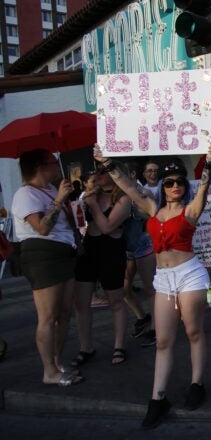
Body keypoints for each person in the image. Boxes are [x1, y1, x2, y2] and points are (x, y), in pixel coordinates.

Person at [93, 141, 211, 429]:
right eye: (169, 182)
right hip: (164, 279)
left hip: (189, 274)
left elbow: (204, 188)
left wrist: (209, 161)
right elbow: (129, 187)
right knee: (162, 340)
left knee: (193, 331)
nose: (175, 186)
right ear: (163, 185)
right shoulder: (152, 208)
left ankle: (197, 383)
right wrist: (108, 162)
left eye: (179, 182)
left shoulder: (190, 211)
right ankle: (157, 399)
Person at [11, 149, 81, 386]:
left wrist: (70, 201)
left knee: (64, 314)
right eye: (52, 162)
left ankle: (57, 362)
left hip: (64, 251)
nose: (56, 167)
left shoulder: (50, 190)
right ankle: (48, 371)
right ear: (41, 166)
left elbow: (67, 223)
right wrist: (59, 199)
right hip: (42, 255)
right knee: (48, 316)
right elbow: (42, 228)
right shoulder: (25, 194)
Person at [71, 162, 131, 368]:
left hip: (111, 250)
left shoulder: (122, 199)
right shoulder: (89, 197)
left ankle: (119, 345)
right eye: (97, 171)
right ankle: (85, 346)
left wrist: (94, 206)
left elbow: (106, 227)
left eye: (104, 171)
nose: (99, 175)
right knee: (81, 302)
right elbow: (78, 223)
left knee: (116, 300)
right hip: (88, 249)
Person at [121, 161, 157, 346]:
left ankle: (156, 329)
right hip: (127, 245)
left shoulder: (141, 192)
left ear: (132, 175)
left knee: (150, 288)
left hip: (143, 241)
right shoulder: (116, 193)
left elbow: (153, 214)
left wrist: (135, 210)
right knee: (123, 288)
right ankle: (143, 317)